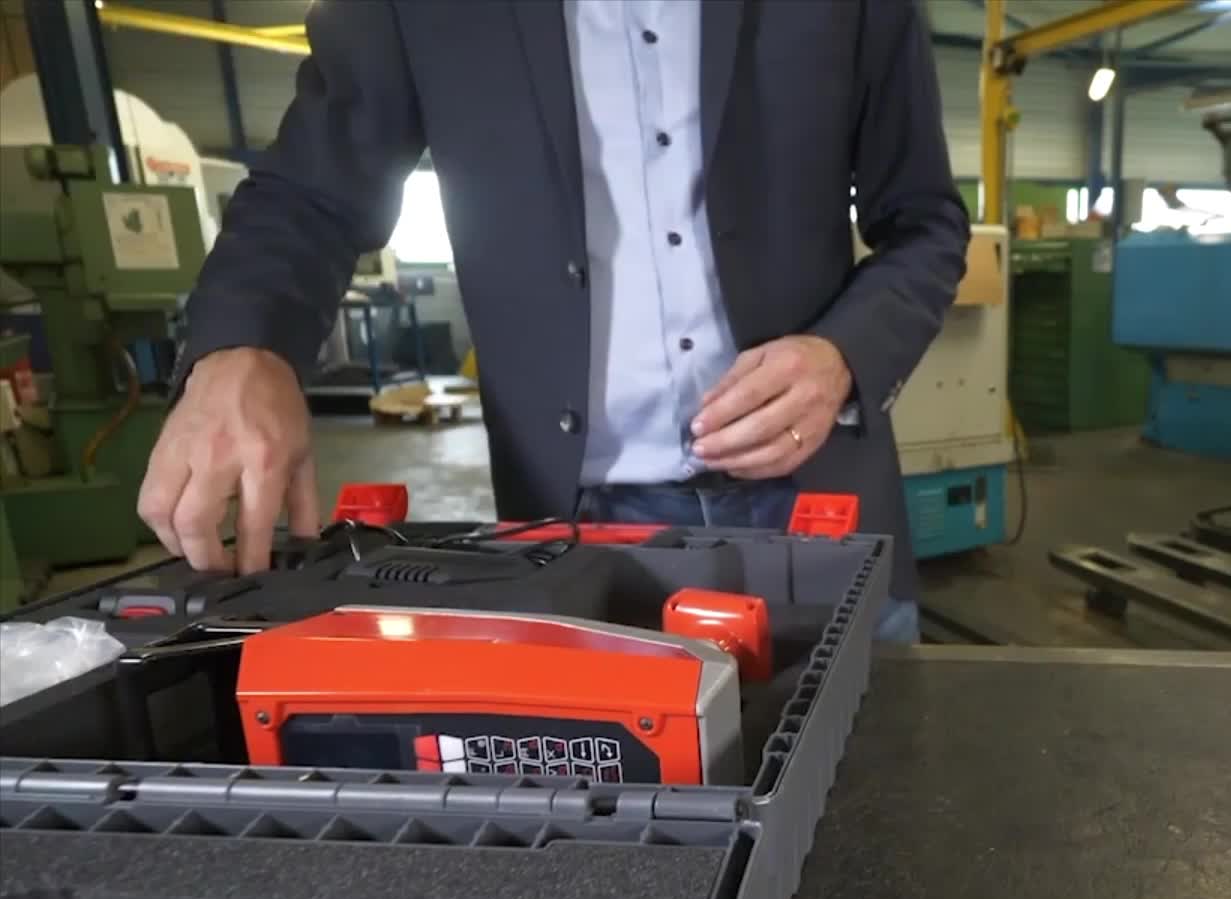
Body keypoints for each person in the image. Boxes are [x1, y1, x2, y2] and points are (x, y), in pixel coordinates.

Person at [137, 0, 969, 644]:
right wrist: (242, 346)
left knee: (878, 798)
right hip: (572, 539)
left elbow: (925, 221)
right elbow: (310, 194)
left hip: (824, 514)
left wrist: (842, 357)